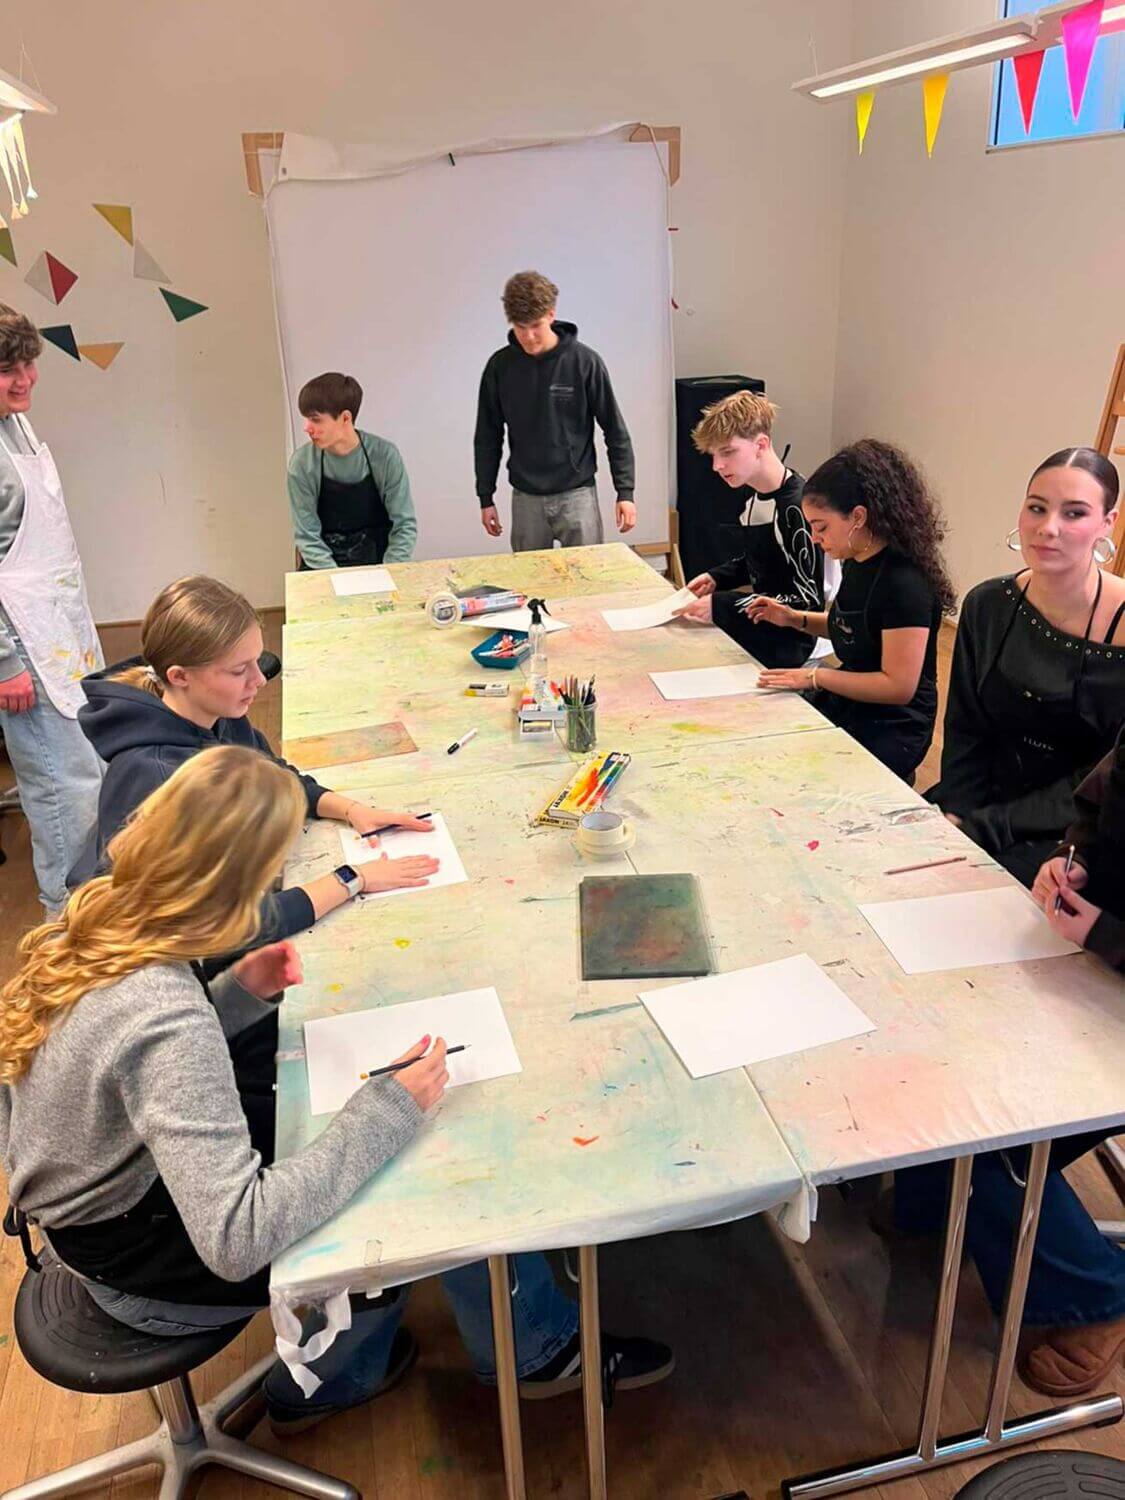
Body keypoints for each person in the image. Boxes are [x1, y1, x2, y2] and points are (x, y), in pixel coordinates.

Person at [0, 748, 674, 1432]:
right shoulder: (161, 1013)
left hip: (93, 1220)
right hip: (144, 1268)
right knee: (435, 1167)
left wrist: (236, 994)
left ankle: (353, 1358)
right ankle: (527, 1350)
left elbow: (123, 1071)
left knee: (339, 1125)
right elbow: (237, 1237)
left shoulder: (107, 912)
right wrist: (388, 1108)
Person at [883, 757, 1125, 1402]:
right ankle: (945, 1201)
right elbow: (1095, 803)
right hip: (1095, 958)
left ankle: (1095, 1296)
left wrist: (1108, 934)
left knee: (981, 1112)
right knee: (935, 1045)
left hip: (1108, 961)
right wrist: (1077, 859)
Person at [68, 576, 437, 936]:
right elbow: (224, 925)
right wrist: (354, 878)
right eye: (238, 670)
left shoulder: (217, 712)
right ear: (179, 676)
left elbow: (274, 774)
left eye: (257, 661)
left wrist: (351, 810)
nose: (259, 680)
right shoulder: (161, 778)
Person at [927, 447, 1125, 887]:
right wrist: (956, 814)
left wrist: (990, 828)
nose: (1048, 528)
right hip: (981, 805)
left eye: (1074, 513)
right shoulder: (987, 604)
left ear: (1107, 523)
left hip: (1074, 833)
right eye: (1037, 507)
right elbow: (965, 728)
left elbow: (1107, 779)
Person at [746, 440, 956, 782]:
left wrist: (815, 677)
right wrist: (793, 618)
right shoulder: (857, 558)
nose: (814, 538)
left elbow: (898, 686)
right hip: (854, 696)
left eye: (821, 527)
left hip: (895, 721)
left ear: (858, 517)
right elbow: (851, 627)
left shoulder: (905, 583)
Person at [0, 304, 103, 916]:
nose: (24, 380)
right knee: (63, 788)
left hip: (60, 625)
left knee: (91, 765)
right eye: (7, 370)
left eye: (28, 365)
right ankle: (64, 926)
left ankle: (97, 914)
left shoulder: (15, 424)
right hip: (22, 642)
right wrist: (4, 662)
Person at [672, 390, 838, 668]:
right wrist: (717, 577)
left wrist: (722, 605)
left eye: (727, 452)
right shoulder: (752, 499)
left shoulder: (797, 507)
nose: (717, 466)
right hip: (764, 631)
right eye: (713, 455)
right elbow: (764, 559)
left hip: (792, 648)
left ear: (761, 445)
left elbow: (805, 600)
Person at [474, 270, 636, 551]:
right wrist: (485, 497)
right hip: (526, 497)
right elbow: (487, 436)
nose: (528, 336)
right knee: (530, 576)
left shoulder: (585, 362)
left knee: (588, 574)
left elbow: (615, 430)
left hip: (577, 494)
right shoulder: (500, 367)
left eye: (535, 325)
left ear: (551, 315)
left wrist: (625, 492)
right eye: (520, 327)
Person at [287, 372, 417, 569]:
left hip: (379, 562)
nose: (307, 427)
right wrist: (336, 579)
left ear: (345, 418)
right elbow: (307, 536)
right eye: (306, 419)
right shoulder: (302, 465)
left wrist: (388, 572)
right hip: (321, 566)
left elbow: (404, 526)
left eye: (315, 419)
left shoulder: (385, 456)